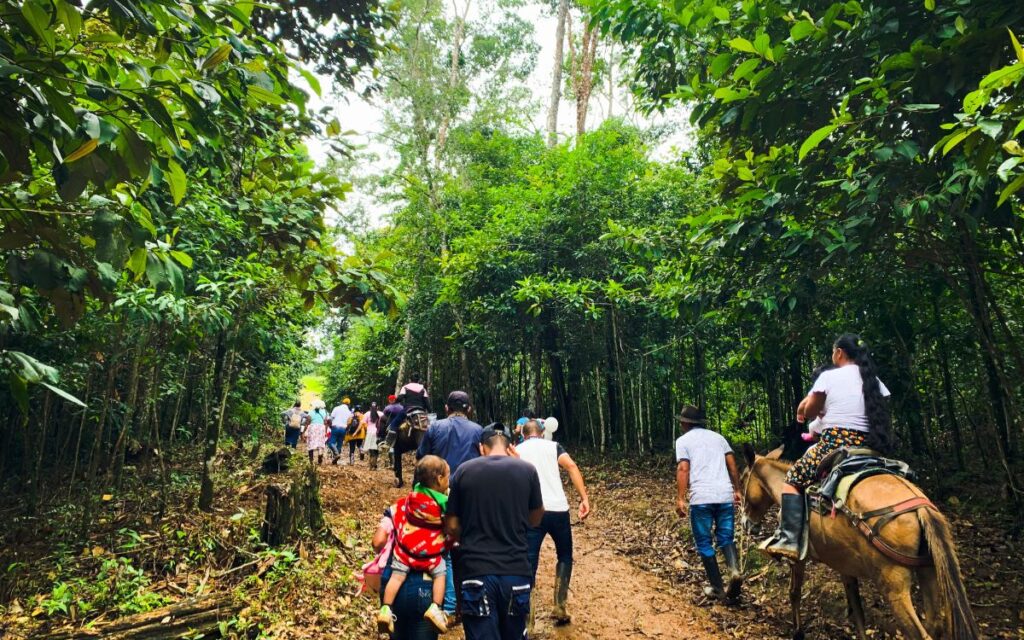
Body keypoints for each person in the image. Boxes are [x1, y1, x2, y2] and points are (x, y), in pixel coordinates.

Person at [764, 333, 892, 560]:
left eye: (833, 351)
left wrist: (803, 406)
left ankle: (789, 539)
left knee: (793, 479)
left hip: (835, 445)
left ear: (839, 352)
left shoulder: (829, 378)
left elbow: (809, 412)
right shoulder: (876, 381)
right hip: (872, 447)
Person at [446, 427, 544, 640]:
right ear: (511, 447)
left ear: (482, 448)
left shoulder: (464, 471)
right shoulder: (527, 470)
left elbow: (452, 525)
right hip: (516, 570)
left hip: (475, 570)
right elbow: (536, 517)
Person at [416, 390, 483, 617]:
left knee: (439, 545)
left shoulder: (435, 428)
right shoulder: (478, 430)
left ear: (446, 408)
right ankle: (464, 601)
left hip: (438, 493)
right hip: (470, 494)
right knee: (466, 545)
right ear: (469, 409)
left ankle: (441, 600)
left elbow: (421, 458)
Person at [517, 419, 590, 626]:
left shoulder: (518, 450)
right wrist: (583, 498)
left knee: (529, 560)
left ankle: (527, 616)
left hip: (532, 511)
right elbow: (571, 466)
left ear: (523, 434)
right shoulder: (553, 447)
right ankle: (560, 604)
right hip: (558, 508)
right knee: (565, 554)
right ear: (542, 433)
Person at [674, 405, 743, 602]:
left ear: (686, 423)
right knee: (726, 537)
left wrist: (681, 498)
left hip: (701, 498)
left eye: (681, 421)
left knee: (704, 542)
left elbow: (683, 469)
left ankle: (717, 588)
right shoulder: (718, 438)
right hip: (724, 495)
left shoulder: (683, 441)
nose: (680, 423)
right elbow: (732, 465)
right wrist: (737, 489)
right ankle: (734, 571)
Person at [377, 456, 451, 635]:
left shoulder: (401, 506)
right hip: (427, 581)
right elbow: (454, 536)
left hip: (399, 571)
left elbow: (378, 541)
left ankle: (385, 609)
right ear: (440, 479)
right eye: (448, 476)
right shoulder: (444, 510)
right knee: (441, 573)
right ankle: (436, 607)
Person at [363, 401, 382, 470]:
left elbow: (364, 424)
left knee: (371, 450)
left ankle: (371, 465)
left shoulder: (367, 414)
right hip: (378, 433)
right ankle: (374, 464)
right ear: (377, 407)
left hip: (370, 433)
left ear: (370, 407)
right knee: (376, 449)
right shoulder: (381, 414)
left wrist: (367, 429)